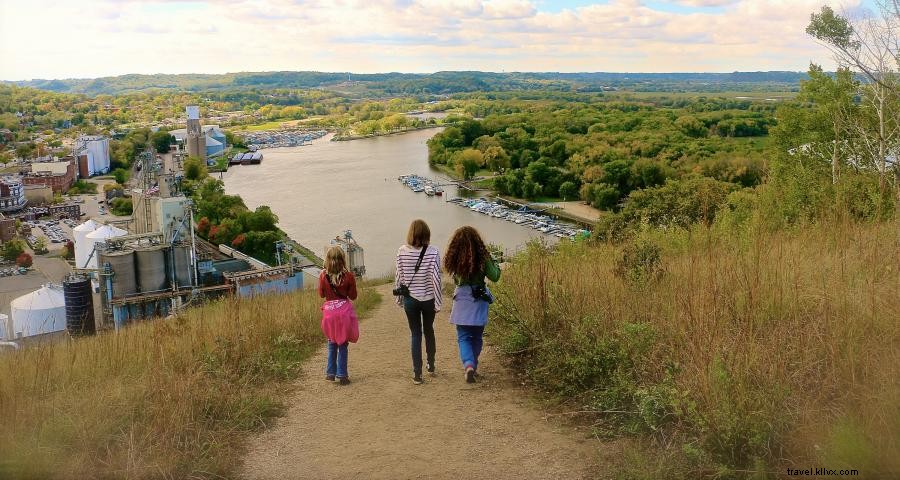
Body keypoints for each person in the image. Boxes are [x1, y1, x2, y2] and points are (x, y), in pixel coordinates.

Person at [443, 226, 500, 384]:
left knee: (463, 337)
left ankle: (468, 365)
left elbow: (455, 278)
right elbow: (495, 276)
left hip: (461, 299)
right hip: (478, 299)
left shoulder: (454, 258)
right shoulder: (483, 257)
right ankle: (473, 367)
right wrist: (494, 261)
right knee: (476, 337)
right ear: (477, 241)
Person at [395, 219, 442, 385]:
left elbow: (399, 276)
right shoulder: (433, 252)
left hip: (410, 300)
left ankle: (417, 374)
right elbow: (436, 279)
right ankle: (431, 364)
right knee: (429, 330)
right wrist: (438, 302)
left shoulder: (401, 251)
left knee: (415, 333)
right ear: (426, 234)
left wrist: (399, 298)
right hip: (428, 299)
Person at [318, 246, 359, 386]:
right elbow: (353, 296)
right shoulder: (348, 276)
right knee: (342, 344)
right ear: (343, 259)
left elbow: (322, 294)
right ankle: (342, 375)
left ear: (327, 260)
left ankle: (330, 373)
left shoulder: (323, 275)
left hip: (329, 314)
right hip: (343, 314)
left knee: (332, 343)